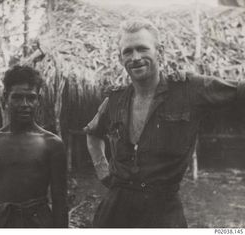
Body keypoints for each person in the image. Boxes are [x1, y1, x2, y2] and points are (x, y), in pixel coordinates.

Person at [85, 18, 245, 228]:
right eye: (128, 51)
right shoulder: (115, 100)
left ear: (159, 51)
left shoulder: (190, 89)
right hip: (115, 210)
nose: (135, 57)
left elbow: (239, 92)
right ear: (119, 58)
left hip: (162, 212)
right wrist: (103, 171)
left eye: (142, 48)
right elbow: (92, 133)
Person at [0, 65, 68, 228]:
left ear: (38, 100)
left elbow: (60, 201)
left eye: (31, 98)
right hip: (1, 224)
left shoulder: (52, 144)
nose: (25, 104)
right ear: (6, 97)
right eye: (17, 97)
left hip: (39, 224)